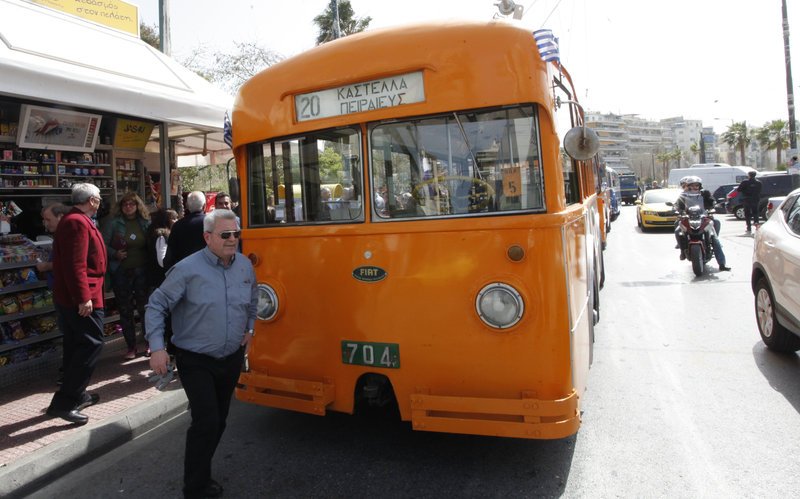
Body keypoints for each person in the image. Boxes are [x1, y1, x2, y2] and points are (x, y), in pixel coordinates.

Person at [145, 209, 257, 498]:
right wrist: (157, 347)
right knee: (206, 421)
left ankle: (201, 468)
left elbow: (253, 299)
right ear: (208, 237)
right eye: (225, 235)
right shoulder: (187, 269)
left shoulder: (244, 266)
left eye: (236, 234)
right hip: (195, 360)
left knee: (218, 421)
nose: (233, 240)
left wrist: (250, 329)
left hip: (230, 357)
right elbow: (156, 305)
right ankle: (195, 486)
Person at [46, 183, 107, 425]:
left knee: (76, 345)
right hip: (82, 298)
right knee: (91, 345)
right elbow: (75, 265)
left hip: (83, 295)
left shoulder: (78, 220)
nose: (100, 201)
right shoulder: (76, 222)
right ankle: (65, 401)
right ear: (92, 200)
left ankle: (77, 393)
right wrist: (83, 297)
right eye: (99, 198)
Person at [103, 193, 151, 360]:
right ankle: (131, 346)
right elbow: (103, 244)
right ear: (121, 206)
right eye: (125, 204)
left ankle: (149, 343)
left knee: (145, 308)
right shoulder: (113, 223)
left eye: (132, 204)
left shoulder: (144, 222)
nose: (129, 207)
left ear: (138, 206)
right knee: (125, 310)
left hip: (142, 271)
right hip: (121, 272)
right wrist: (115, 253)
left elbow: (152, 242)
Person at [674, 177, 730, 271]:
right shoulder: (683, 195)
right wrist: (677, 210)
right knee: (677, 231)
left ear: (700, 185)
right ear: (688, 186)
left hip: (704, 217)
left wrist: (714, 205)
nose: (695, 187)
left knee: (715, 238)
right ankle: (683, 251)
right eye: (692, 185)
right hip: (689, 218)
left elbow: (712, 201)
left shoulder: (705, 193)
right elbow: (677, 205)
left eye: (696, 185)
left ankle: (722, 264)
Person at [164, 191, 206, 270]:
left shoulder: (177, 225)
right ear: (204, 206)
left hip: (185, 271)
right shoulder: (212, 224)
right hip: (207, 269)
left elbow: (170, 255)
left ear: (187, 206)